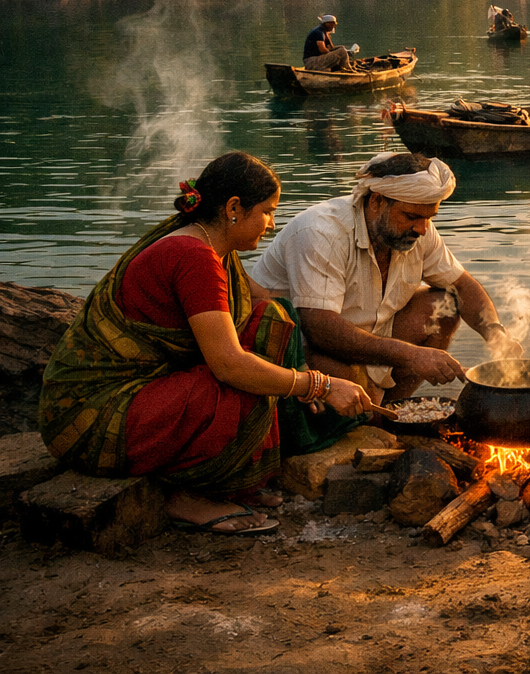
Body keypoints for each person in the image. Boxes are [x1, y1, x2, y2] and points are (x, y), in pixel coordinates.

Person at [38, 152, 369, 535]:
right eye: (267, 212)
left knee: (273, 321)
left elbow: (267, 303)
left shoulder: (210, 247)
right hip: (91, 414)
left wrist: (318, 352)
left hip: (144, 391)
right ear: (233, 208)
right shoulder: (193, 256)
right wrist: (320, 385)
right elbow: (229, 365)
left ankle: (225, 480)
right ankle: (184, 494)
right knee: (247, 389)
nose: (271, 224)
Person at [250, 151, 518, 404]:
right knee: (357, 390)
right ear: (377, 201)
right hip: (300, 348)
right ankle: (376, 416)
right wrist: (412, 356)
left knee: (444, 305)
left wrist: (497, 335)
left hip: (366, 336)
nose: (423, 229)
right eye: (412, 217)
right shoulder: (322, 232)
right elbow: (319, 328)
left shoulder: (419, 228)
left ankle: (391, 409)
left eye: (429, 217)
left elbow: (462, 285)